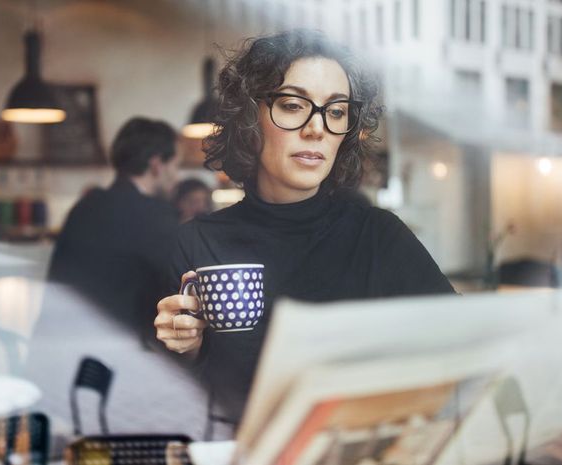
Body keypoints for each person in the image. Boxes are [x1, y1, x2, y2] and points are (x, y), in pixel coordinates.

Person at [154, 30, 455, 423]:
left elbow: (460, 351)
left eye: (335, 111)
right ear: (250, 118)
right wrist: (183, 347)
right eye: (294, 105)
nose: (317, 129)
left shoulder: (380, 237)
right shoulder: (197, 242)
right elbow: (167, 399)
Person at [47, 117, 181, 344]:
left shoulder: (85, 206)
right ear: (156, 165)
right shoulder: (154, 215)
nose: (177, 177)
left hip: (57, 343)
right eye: (176, 166)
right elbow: (177, 282)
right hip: (113, 353)